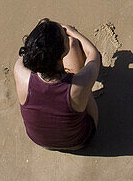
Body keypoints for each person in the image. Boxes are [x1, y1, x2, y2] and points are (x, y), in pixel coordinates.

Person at [14, 19, 101, 151]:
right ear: (63, 51)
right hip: (79, 141)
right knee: (74, 45)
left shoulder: (20, 72)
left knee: (71, 46)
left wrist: (40, 37)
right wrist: (73, 32)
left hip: (40, 141)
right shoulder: (78, 85)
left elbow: (27, 54)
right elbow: (93, 55)